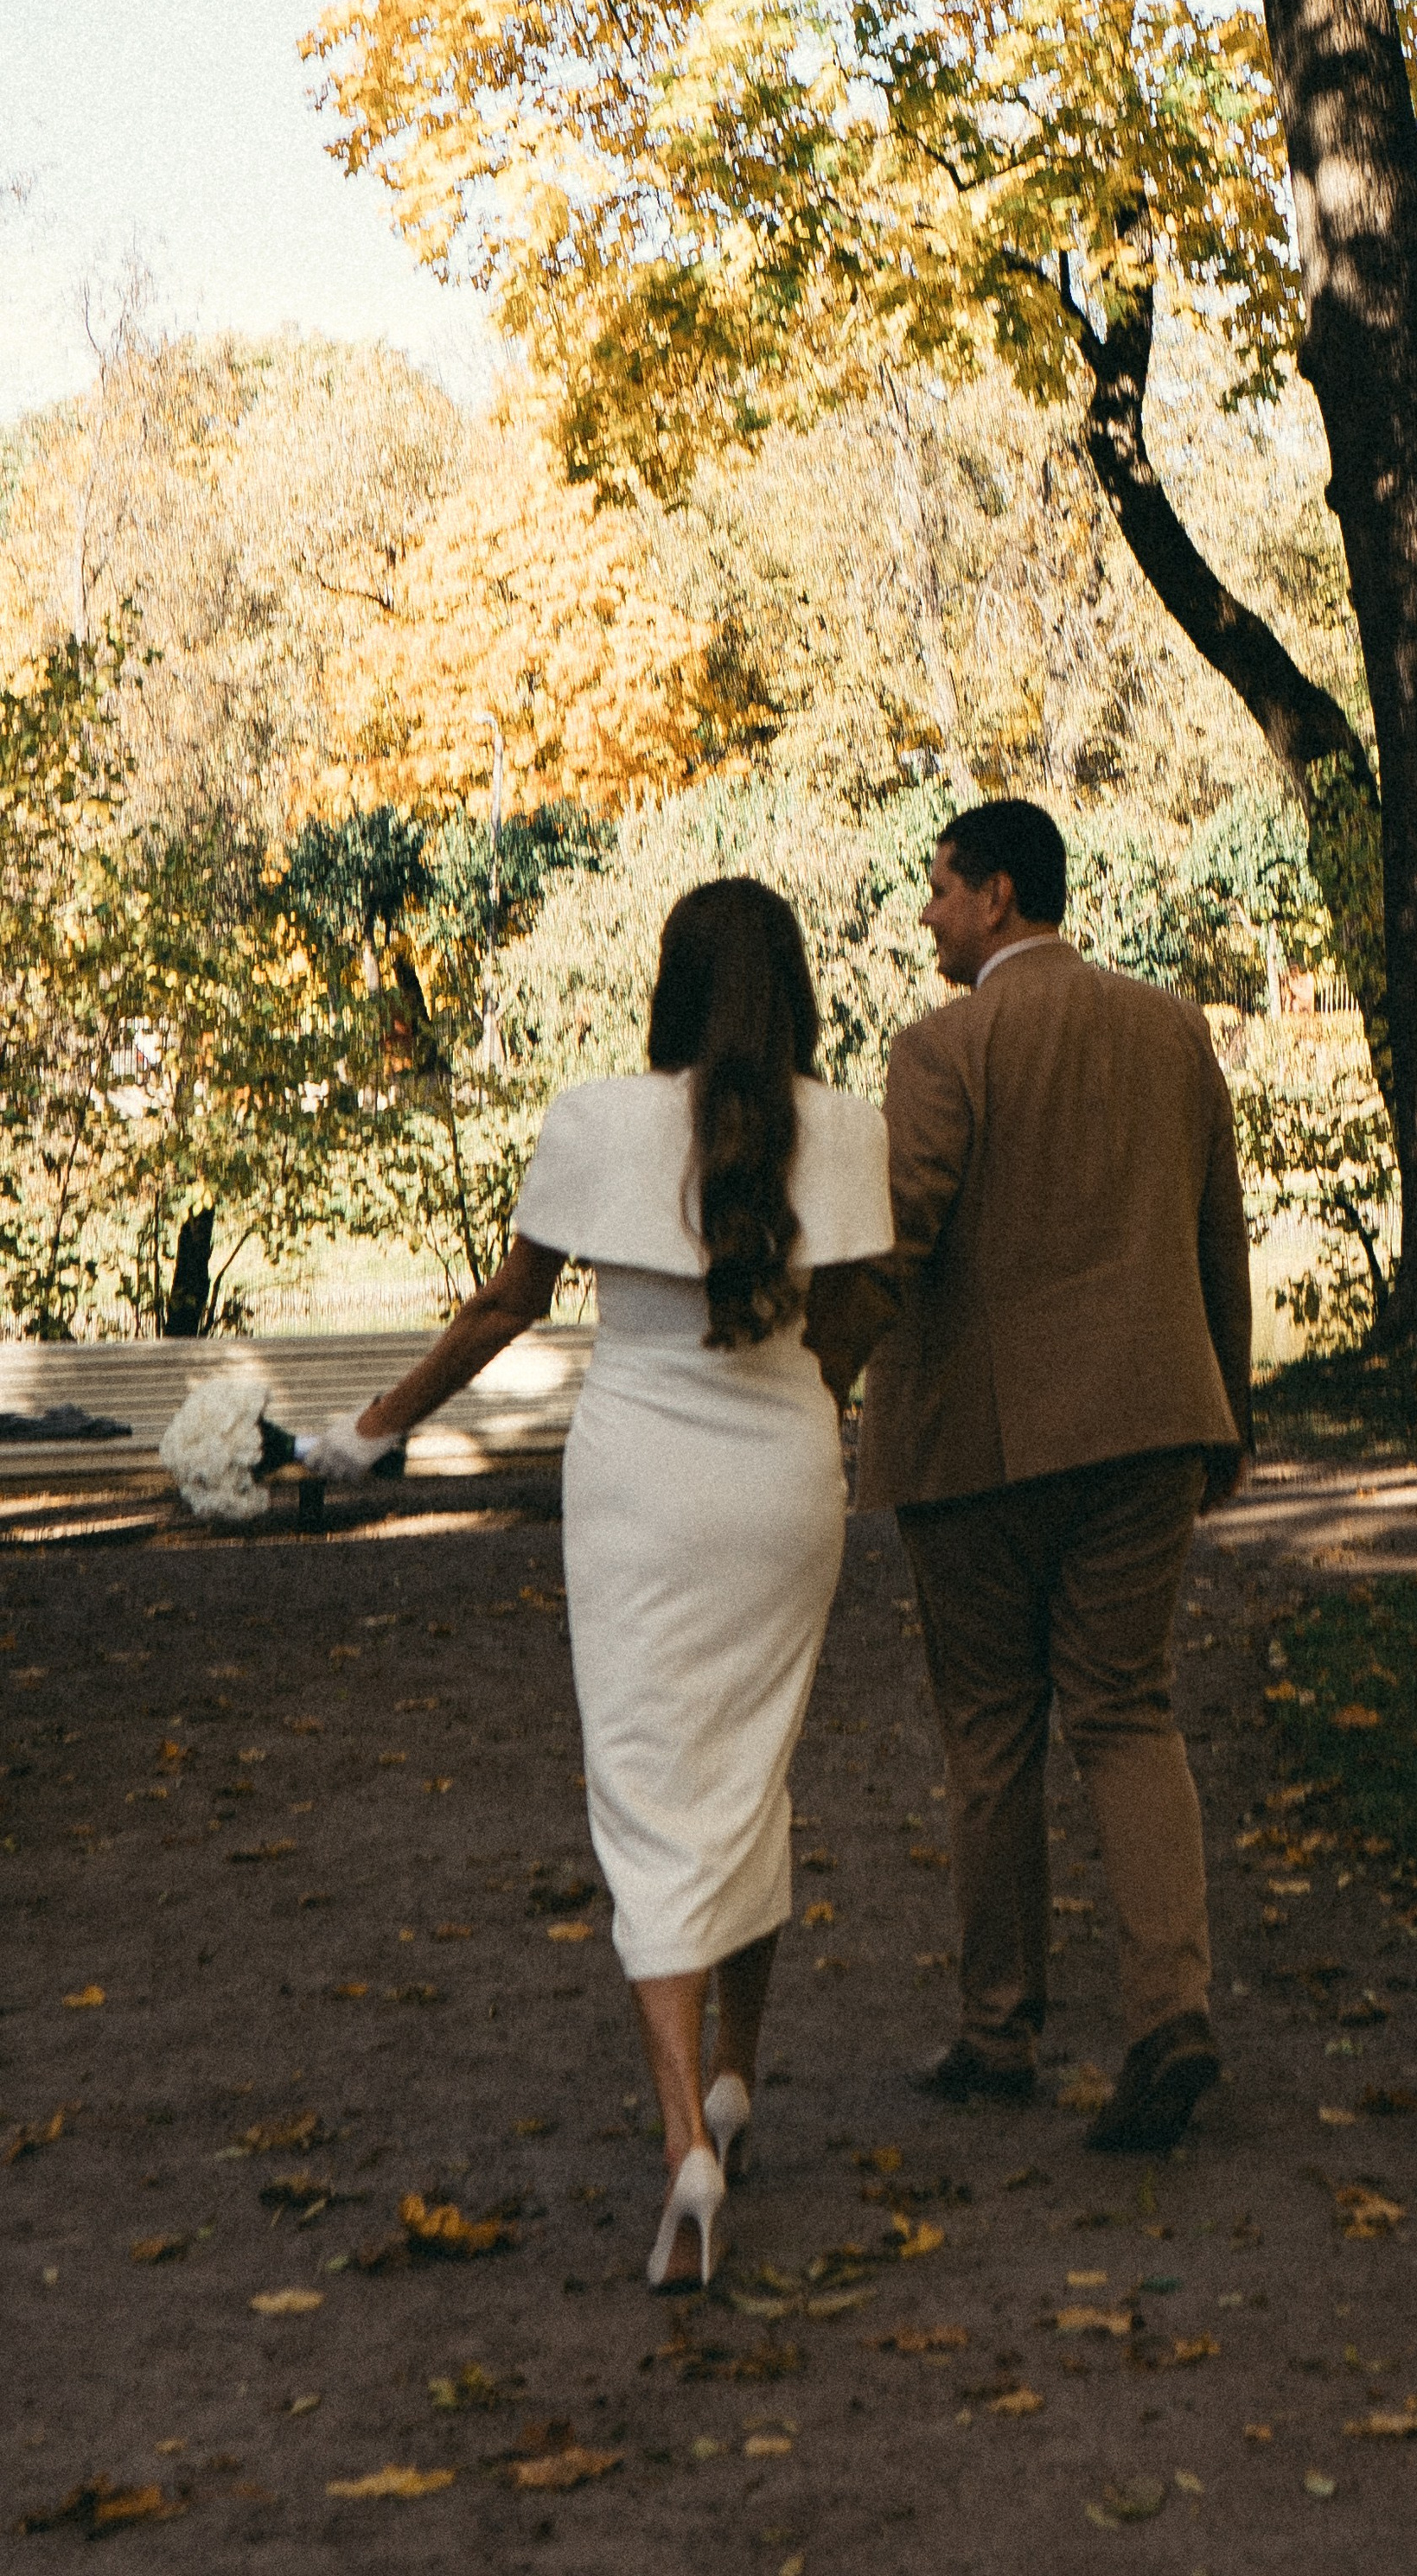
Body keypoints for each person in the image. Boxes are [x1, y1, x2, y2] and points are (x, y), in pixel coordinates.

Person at [302, 880, 893, 2289]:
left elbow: (509, 1300)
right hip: (783, 1477)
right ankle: (739, 2080)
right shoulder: (852, 1125)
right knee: (752, 1771)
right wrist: (815, 1391)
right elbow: (874, 1300)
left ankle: (689, 2136)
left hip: (636, 1479)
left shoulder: (595, 1117)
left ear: (672, 983)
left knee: (646, 1786)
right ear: (797, 983)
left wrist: (377, 1429)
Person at [858, 798, 1251, 2158]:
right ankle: (1171, 2011)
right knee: (1130, 1714)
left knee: (989, 1728)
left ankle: (999, 2031)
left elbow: (899, 1237)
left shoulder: (942, 1048)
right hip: (1152, 1425)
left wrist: (807, 1372)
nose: (926, 916)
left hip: (981, 1448)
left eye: (941, 890)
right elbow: (1220, 1231)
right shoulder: (1170, 1028)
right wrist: (1226, 1415)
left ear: (1001, 895)